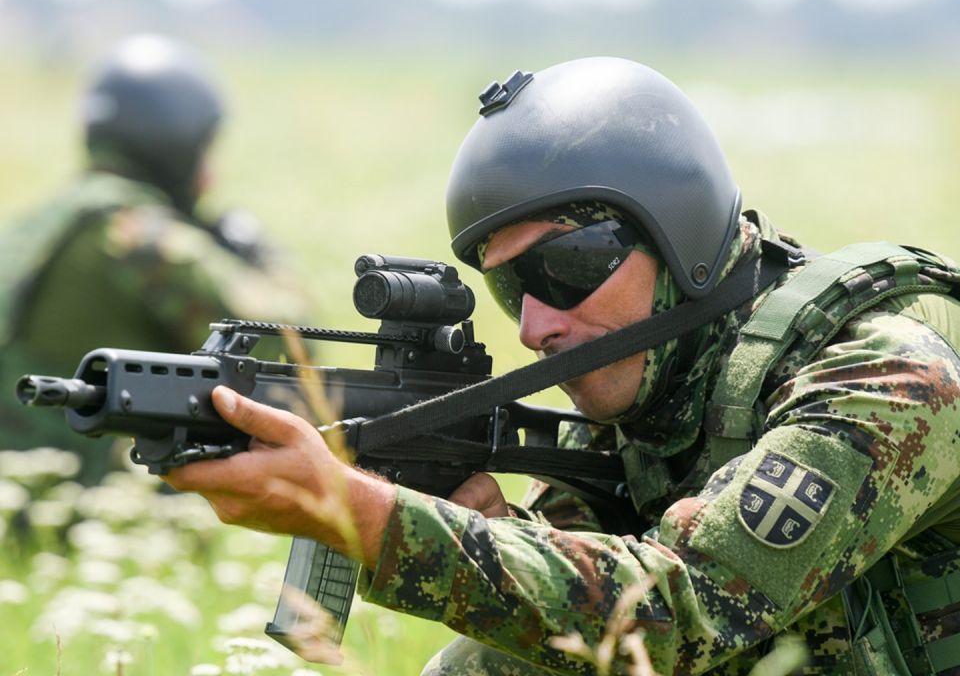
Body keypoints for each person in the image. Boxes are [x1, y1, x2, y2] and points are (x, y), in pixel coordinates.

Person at [163, 57, 960, 674]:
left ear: (675, 234)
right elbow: (589, 626)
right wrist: (491, 529)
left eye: (565, 268)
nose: (534, 326)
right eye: (510, 288)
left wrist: (368, 517)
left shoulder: (885, 377)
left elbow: (682, 610)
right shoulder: (637, 400)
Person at [0, 34, 309, 484]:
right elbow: (284, 343)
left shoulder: (38, 223)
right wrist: (262, 257)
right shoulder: (139, 237)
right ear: (176, 145)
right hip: (77, 489)